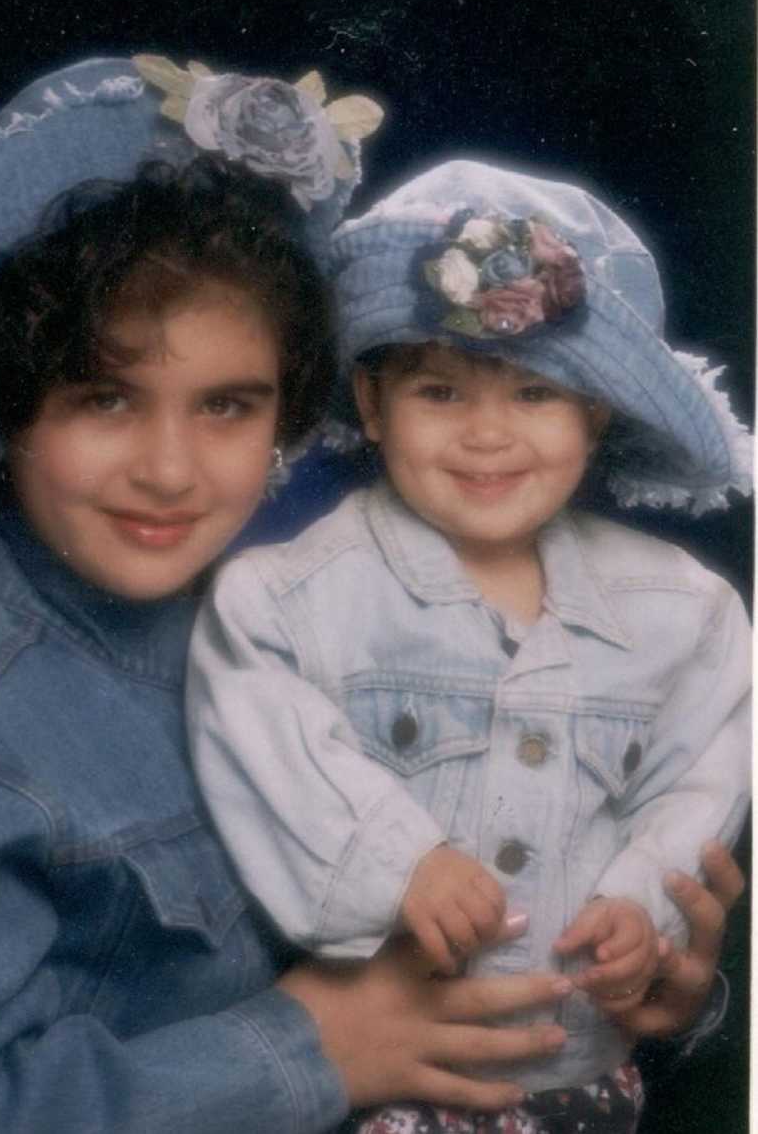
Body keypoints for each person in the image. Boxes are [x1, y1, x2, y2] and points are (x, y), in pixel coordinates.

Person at [0, 60, 743, 1132]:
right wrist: (310, 1046)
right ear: (7, 398)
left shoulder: (291, 597)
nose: (172, 471)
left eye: (228, 404)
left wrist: (661, 998)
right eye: (105, 395)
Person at [187, 159, 752, 1132]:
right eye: (441, 392)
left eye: (535, 395)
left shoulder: (684, 609)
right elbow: (267, 731)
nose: (488, 434)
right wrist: (397, 860)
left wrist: (643, 908)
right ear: (372, 405)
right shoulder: (288, 599)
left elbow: (704, 773)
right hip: (388, 1091)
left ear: (596, 414)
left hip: (589, 1081)